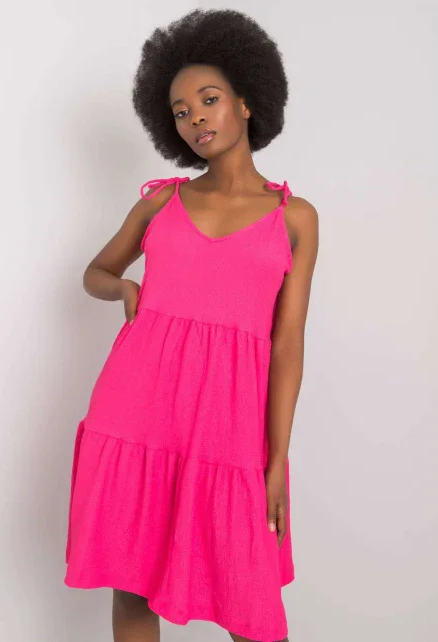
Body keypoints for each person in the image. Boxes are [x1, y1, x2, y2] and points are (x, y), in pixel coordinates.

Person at [64, 8, 319, 642]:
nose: (196, 118)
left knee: (251, 608)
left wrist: (277, 458)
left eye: (209, 99)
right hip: (137, 414)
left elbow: (287, 344)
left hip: (229, 428)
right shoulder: (161, 202)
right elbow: (96, 271)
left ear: (247, 101)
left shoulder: (295, 218)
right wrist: (124, 287)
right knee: (132, 585)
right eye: (181, 111)